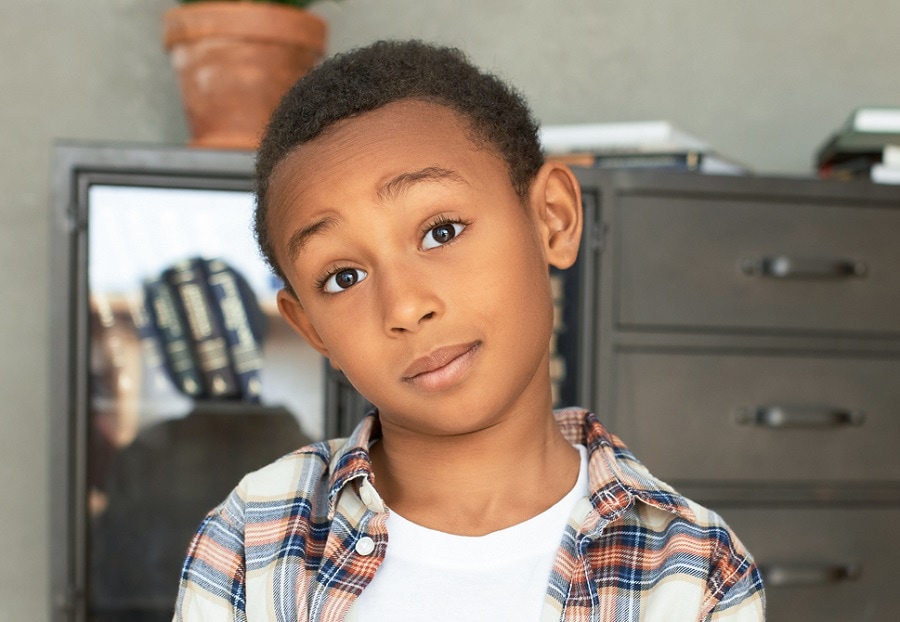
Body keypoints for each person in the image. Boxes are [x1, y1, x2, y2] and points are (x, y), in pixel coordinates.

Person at [173, 40, 765, 621]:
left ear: (551, 220)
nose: (405, 306)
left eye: (442, 232)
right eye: (343, 276)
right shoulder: (254, 539)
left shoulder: (693, 569)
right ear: (311, 328)